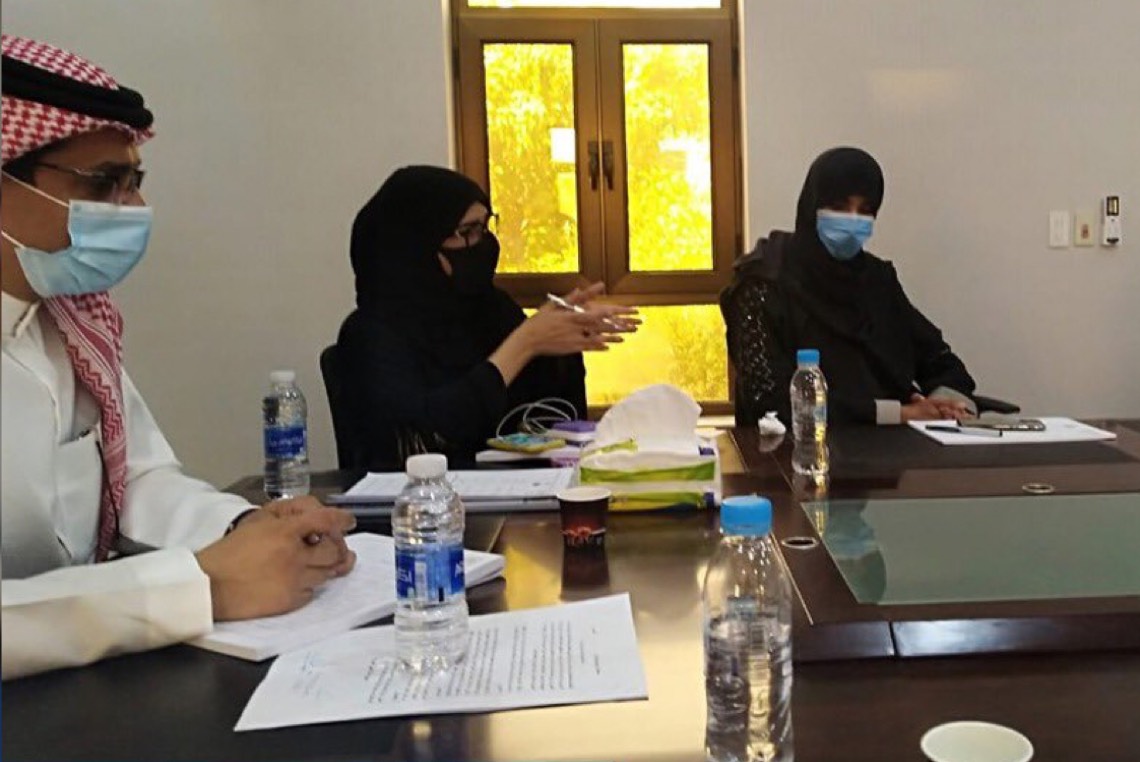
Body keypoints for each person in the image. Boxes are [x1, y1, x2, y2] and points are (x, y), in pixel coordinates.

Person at [0, 35, 357, 681]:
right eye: (104, 183)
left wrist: (250, 530)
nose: (133, 209)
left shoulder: (69, 320)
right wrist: (196, 588)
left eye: (134, 181)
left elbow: (134, 479)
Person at [337, 165, 637, 468]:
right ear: (415, 245)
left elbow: (546, 416)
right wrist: (525, 343)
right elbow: (426, 435)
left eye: (484, 227)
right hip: (421, 495)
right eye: (467, 232)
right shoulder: (369, 335)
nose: (484, 244)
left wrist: (562, 336)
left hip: (518, 488)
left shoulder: (491, 308)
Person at [721, 146, 977, 427]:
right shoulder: (762, 283)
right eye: (839, 207)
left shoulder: (877, 280)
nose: (852, 220)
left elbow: (939, 360)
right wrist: (897, 413)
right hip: (796, 449)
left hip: (893, 447)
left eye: (865, 210)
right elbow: (769, 402)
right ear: (811, 206)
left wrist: (948, 407)